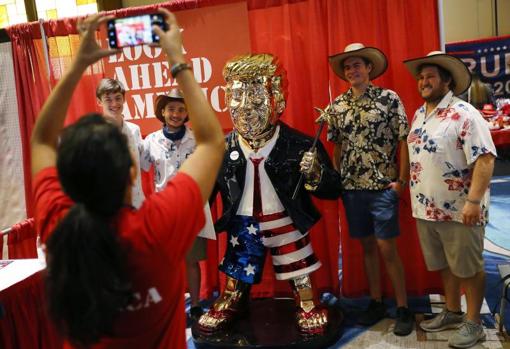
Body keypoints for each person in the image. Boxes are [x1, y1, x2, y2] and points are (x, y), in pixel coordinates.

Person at [31, 10, 224, 349]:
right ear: (132, 170)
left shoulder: (59, 226)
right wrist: (177, 58)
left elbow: (41, 141)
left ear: (66, 181)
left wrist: (77, 66)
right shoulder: (160, 225)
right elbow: (213, 142)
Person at [198, 53, 342, 335]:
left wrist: (315, 175)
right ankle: (231, 299)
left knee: (297, 263)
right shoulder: (221, 149)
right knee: (239, 265)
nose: (245, 108)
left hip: (285, 221)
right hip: (243, 223)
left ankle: (307, 302)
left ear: (277, 97)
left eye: (255, 97)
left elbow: (333, 189)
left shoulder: (299, 144)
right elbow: (205, 189)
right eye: (237, 97)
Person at [404, 51, 497, 348]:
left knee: (468, 267)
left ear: (447, 80)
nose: (423, 81)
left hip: (461, 209)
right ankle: (454, 311)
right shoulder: (419, 114)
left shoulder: (465, 113)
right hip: (426, 208)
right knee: (445, 264)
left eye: (430, 76)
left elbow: (484, 159)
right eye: (421, 77)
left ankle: (474, 323)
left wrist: (472, 202)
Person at [326, 43, 413, 336]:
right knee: (366, 248)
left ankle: (402, 307)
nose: (353, 71)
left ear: (369, 68)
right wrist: (337, 179)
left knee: (387, 247)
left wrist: (401, 181)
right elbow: (336, 145)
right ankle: (376, 302)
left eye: (357, 65)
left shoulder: (389, 99)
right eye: (348, 67)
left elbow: (404, 140)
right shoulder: (337, 106)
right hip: (352, 189)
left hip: (382, 187)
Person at [140, 88, 213, 320]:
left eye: (181, 109)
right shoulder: (150, 141)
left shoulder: (197, 139)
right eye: (171, 109)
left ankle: (197, 305)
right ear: (162, 111)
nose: (176, 114)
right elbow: (137, 166)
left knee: (191, 261)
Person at [96, 78, 145, 208]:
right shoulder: (94, 135)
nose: (114, 103)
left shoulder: (134, 130)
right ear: (99, 102)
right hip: (110, 208)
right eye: (108, 99)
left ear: (124, 99)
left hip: (137, 204)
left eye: (118, 98)